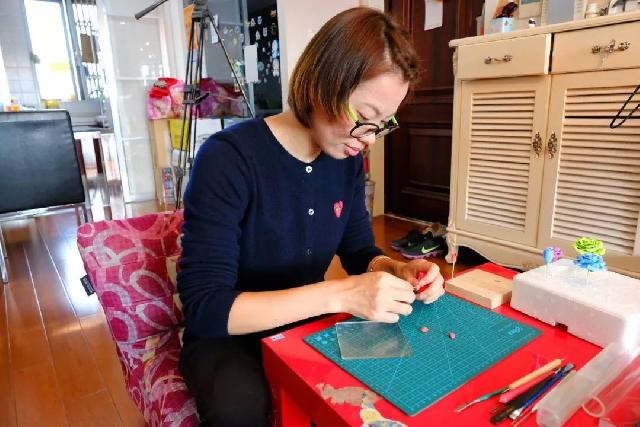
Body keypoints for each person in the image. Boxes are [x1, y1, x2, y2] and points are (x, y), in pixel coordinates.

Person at [177, 7, 445, 426]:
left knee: (383, 384)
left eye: (383, 123)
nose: (369, 139)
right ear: (323, 83)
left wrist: (395, 269)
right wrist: (340, 295)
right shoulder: (228, 158)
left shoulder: (345, 159)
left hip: (307, 319)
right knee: (237, 410)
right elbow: (206, 307)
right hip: (229, 335)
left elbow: (359, 251)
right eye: (364, 118)